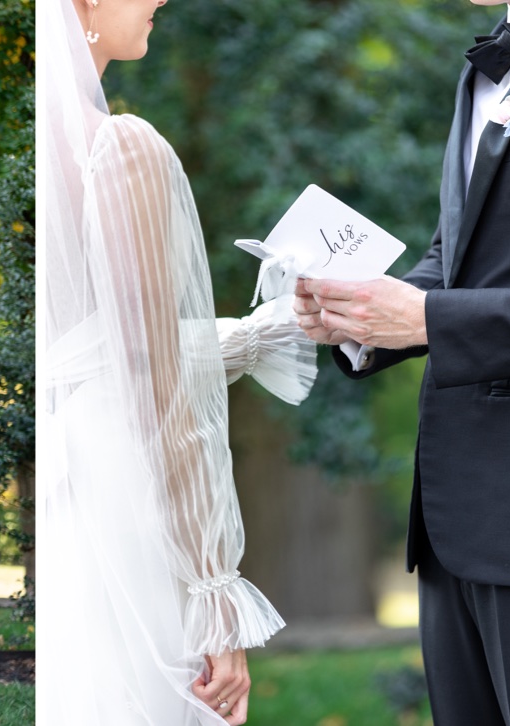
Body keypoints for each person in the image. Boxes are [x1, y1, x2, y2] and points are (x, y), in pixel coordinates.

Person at [294, 0, 510, 720]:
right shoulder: (489, 62)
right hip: (453, 524)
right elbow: (463, 258)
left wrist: (428, 319)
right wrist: (363, 320)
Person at [38, 0, 316, 723]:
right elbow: (153, 380)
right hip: (126, 490)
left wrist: (260, 335)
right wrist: (213, 593)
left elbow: (99, 351)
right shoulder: (120, 149)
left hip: (65, 481)